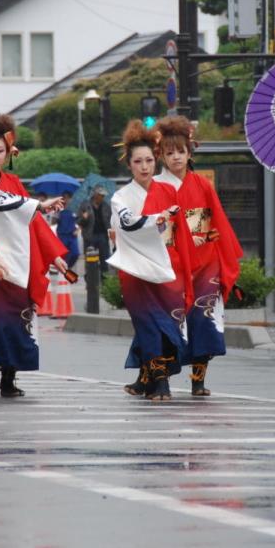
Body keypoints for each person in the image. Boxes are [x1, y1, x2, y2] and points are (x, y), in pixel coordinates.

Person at [0, 115, 67, 398]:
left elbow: (32, 222)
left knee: (16, 320)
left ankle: (8, 380)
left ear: (9, 153)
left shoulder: (14, 182)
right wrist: (38, 204)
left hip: (19, 262)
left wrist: (54, 255)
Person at [154, 116, 243, 397]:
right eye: (170, 152)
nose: (176, 157)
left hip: (205, 261)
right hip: (171, 264)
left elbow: (216, 219)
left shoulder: (202, 185)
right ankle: (162, 379)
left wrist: (218, 240)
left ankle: (198, 380)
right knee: (170, 323)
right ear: (161, 156)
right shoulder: (155, 186)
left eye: (181, 151)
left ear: (190, 152)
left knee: (203, 321)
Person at [109, 120, 194, 401]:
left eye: (148, 159)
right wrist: (154, 220)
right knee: (148, 326)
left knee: (168, 327)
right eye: (138, 161)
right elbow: (126, 224)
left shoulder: (169, 191)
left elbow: (182, 233)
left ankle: (150, 379)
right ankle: (160, 382)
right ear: (129, 165)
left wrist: (189, 269)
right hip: (136, 270)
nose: (144, 166)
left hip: (168, 269)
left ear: (155, 160)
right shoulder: (121, 197)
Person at [81, 186, 113, 271]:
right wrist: (84, 218)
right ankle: (90, 279)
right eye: (101, 195)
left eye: (103, 196)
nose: (102, 197)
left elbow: (111, 220)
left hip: (103, 236)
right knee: (90, 259)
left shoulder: (106, 206)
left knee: (105, 259)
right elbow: (79, 222)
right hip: (90, 236)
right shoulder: (85, 205)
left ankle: (105, 280)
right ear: (95, 195)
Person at [56, 192, 81, 272]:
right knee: (63, 255)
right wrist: (56, 216)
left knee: (75, 253)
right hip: (62, 236)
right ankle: (65, 273)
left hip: (72, 235)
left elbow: (81, 222)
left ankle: (67, 268)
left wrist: (78, 230)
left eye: (68, 198)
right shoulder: (58, 209)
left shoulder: (75, 209)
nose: (67, 200)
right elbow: (53, 221)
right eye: (65, 198)